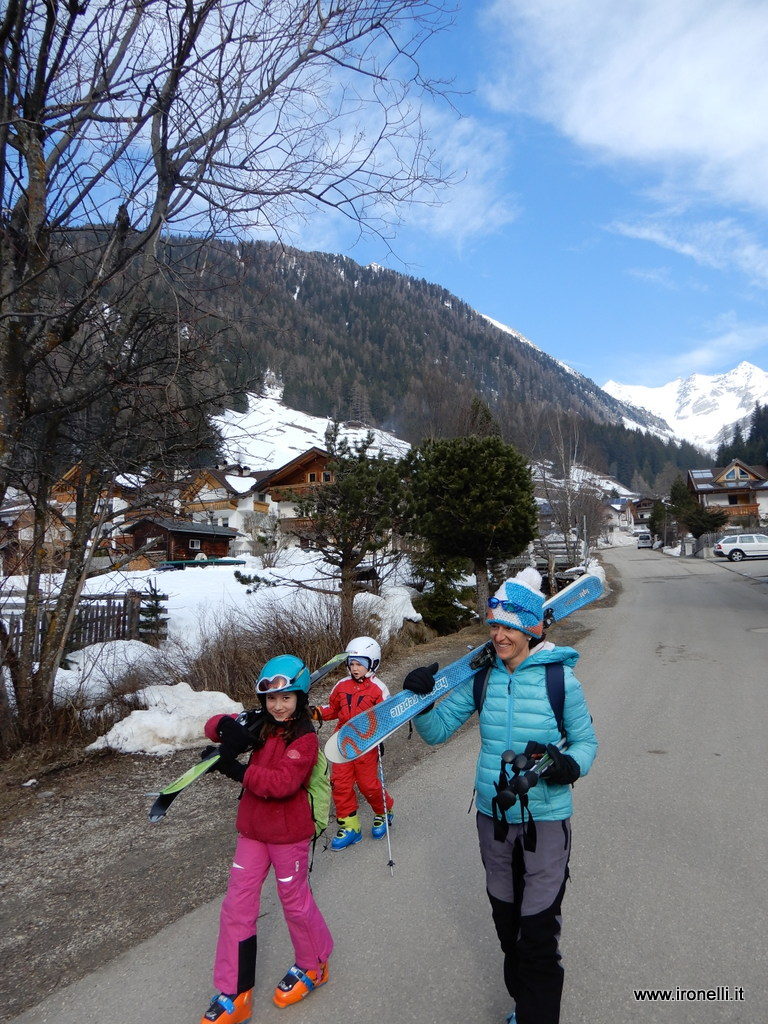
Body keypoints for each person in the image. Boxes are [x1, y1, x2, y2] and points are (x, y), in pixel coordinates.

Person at [402, 567, 598, 1024]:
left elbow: (586, 742)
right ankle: (522, 1003)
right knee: (508, 928)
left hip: (545, 820)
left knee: (537, 932)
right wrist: (423, 702)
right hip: (493, 818)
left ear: (531, 627)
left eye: (509, 625)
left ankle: (537, 1015)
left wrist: (568, 765)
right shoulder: (483, 678)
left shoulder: (559, 681)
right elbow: (437, 733)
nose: (499, 634)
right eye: (494, 625)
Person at [199, 654, 333, 1024]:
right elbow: (211, 728)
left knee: (294, 902)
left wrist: (235, 769)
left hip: (289, 835)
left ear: (300, 698)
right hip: (253, 832)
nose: (278, 705)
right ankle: (235, 991)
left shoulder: (304, 739)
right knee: (236, 906)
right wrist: (227, 726)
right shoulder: (261, 724)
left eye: (286, 698)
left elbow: (282, 784)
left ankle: (314, 964)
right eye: (271, 699)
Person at [318, 636, 394, 849]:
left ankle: (383, 811)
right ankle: (350, 825)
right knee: (340, 784)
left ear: (373, 663)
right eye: (351, 663)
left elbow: (387, 718)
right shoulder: (341, 686)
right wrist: (316, 712)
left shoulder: (379, 689)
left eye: (360, 663)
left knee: (368, 784)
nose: (355, 668)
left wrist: (381, 735)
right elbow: (333, 709)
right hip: (341, 743)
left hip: (366, 745)